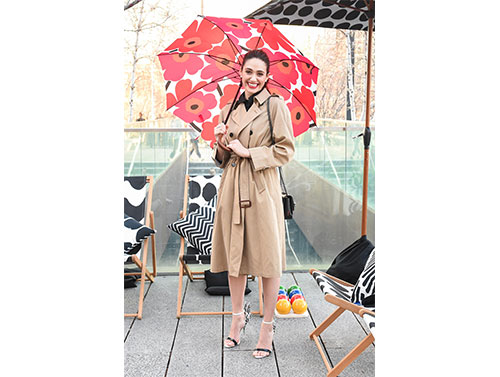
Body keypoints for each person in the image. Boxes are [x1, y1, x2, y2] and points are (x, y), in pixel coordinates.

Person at [211, 49, 295, 359]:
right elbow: (222, 160)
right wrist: (219, 142)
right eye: (249, 71)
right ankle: (237, 319)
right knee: (235, 257)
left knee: (267, 259)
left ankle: (267, 326)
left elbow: (286, 151)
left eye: (260, 73)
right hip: (232, 188)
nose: (254, 78)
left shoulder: (275, 106)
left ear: (267, 76)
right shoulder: (226, 108)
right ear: (240, 73)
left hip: (261, 188)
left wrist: (249, 152)